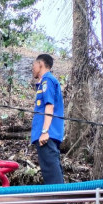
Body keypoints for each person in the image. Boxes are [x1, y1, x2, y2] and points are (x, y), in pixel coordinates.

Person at [31, 54, 65, 185]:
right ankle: (58, 203)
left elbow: (49, 106)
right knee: (51, 169)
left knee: (51, 173)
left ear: (40, 64)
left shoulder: (47, 80)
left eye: (34, 65)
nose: (32, 68)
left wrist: (44, 131)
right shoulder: (44, 82)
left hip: (47, 135)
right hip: (47, 135)